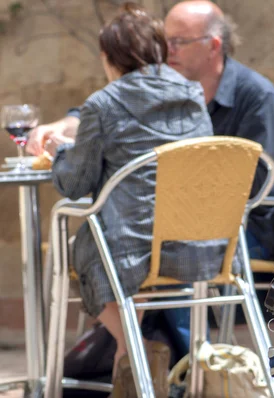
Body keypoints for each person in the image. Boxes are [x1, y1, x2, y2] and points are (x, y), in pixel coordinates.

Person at [50, 3, 227, 395]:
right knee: (126, 241)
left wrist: (59, 151)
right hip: (197, 249)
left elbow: (74, 184)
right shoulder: (192, 94)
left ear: (109, 58)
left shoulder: (103, 103)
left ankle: (133, 347)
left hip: (130, 254)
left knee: (78, 244)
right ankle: (130, 364)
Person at [28, 0, 274, 261]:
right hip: (169, 224)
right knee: (122, 246)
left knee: (111, 250)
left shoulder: (257, 96)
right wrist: (58, 127)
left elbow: (253, 183)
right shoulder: (167, 89)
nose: (167, 50)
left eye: (179, 41)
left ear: (214, 45)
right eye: (164, 41)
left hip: (240, 230)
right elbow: (101, 113)